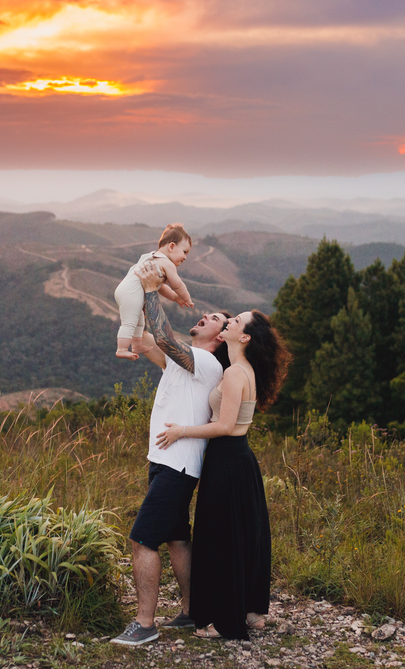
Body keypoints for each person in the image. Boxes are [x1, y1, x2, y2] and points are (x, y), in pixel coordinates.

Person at [109, 264, 229, 647]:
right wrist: (136, 298)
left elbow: (163, 336)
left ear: (221, 339)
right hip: (165, 461)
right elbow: (150, 342)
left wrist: (149, 292)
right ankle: (193, 610)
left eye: (216, 320)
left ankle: (145, 625)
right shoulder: (184, 363)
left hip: (178, 465)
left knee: (144, 539)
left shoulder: (207, 363)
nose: (206, 316)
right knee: (178, 539)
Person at [155, 308, 290, 640]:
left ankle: (226, 622)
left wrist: (182, 431)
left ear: (243, 337)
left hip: (227, 462)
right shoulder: (240, 369)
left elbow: (226, 426)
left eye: (236, 321)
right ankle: (249, 611)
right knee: (240, 536)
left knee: (221, 538)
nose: (229, 321)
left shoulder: (235, 374)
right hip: (237, 461)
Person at [113, 222, 194, 360]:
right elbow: (178, 285)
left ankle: (137, 345)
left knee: (139, 322)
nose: (185, 257)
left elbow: (160, 287)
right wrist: (186, 298)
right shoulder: (167, 263)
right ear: (172, 246)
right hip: (131, 294)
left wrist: (175, 298)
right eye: (184, 252)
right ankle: (121, 349)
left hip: (126, 291)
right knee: (129, 322)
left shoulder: (150, 257)